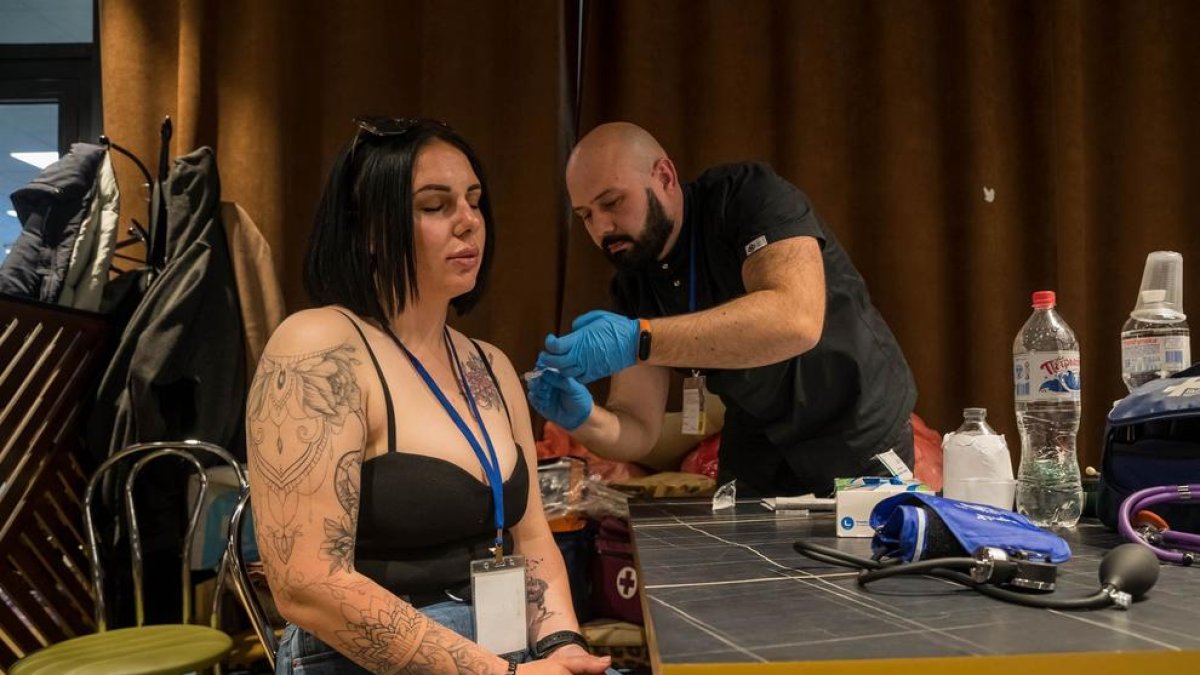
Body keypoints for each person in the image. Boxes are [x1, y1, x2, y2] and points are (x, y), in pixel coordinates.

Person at [247, 118, 614, 675]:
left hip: (504, 647)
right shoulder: (319, 345)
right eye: (435, 205)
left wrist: (561, 645)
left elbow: (533, 536)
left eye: (473, 200)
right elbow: (307, 585)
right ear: (370, 228)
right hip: (366, 659)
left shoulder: (488, 363)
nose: (469, 221)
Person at [528, 122, 917, 497]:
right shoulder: (634, 282)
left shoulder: (748, 198)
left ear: (664, 177)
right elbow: (638, 428)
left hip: (856, 420)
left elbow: (797, 321)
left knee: (860, 558)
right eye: (585, 216)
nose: (602, 228)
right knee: (737, 557)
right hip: (760, 434)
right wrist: (582, 418)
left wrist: (641, 339)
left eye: (612, 202)